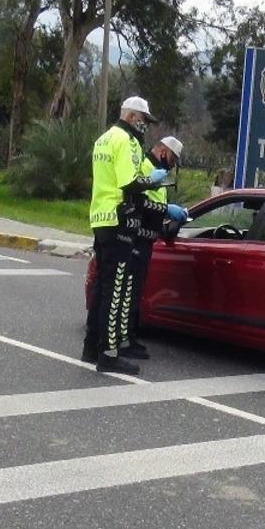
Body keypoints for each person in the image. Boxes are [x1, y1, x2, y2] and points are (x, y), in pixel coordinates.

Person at [84, 96, 171, 374]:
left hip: (100, 217)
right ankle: (109, 354)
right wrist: (154, 179)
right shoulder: (128, 141)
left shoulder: (103, 139)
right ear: (133, 116)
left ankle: (91, 346)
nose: (144, 126)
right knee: (116, 289)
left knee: (101, 287)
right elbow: (129, 182)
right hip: (120, 220)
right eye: (144, 120)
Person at [122, 135, 188, 360]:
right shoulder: (145, 168)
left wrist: (167, 222)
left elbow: (155, 207)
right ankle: (124, 341)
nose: (171, 164)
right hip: (136, 239)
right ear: (163, 152)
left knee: (136, 291)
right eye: (171, 159)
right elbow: (138, 202)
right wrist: (166, 209)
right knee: (129, 292)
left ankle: (130, 337)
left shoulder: (158, 174)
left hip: (148, 240)